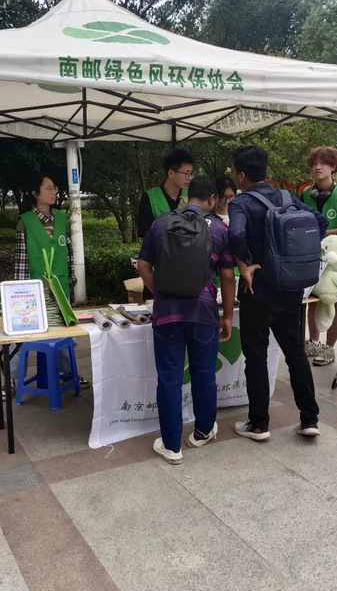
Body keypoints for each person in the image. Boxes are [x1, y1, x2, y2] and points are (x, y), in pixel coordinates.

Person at [228, 146, 328, 440]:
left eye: (233, 171)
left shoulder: (241, 203)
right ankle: (309, 419)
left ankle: (259, 424)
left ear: (241, 175)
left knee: (256, 357)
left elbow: (236, 234)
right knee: (295, 354)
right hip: (291, 289)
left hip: (257, 290)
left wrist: (246, 262)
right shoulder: (286, 197)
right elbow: (320, 222)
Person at [137, 176, 235, 464]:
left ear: (188, 196)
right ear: (212, 199)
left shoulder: (161, 223)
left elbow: (143, 266)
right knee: (204, 373)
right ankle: (202, 432)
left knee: (169, 377)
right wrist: (227, 315)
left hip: (167, 312)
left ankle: (171, 446)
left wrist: (160, 292)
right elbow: (228, 277)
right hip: (203, 312)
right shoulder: (220, 228)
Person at [13, 173, 88, 388]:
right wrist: (20, 293)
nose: (53, 192)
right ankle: (12, 379)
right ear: (35, 193)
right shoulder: (25, 222)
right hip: (33, 292)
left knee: (64, 331)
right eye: (48, 188)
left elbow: (68, 252)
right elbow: (21, 261)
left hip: (60, 287)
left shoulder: (61, 219)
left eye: (54, 188)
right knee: (22, 336)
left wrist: (71, 281)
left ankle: (69, 372)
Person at [301, 146, 337, 367]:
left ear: (333, 167)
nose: (318, 167)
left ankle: (329, 348)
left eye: (323, 163)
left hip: (336, 259)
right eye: (314, 163)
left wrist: (324, 233)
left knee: (333, 301)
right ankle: (314, 342)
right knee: (311, 302)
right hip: (310, 255)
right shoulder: (305, 193)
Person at [136, 148, 194, 238]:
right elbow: (146, 233)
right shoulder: (149, 197)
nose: (189, 178)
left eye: (191, 173)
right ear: (171, 173)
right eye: (186, 173)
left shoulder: (192, 194)